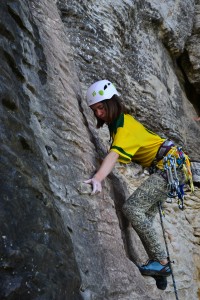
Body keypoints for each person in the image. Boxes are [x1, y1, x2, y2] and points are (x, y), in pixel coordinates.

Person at [84, 79, 193, 280]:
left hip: (171, 167)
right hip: (173, 167)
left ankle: (161, 263)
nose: (98, 113)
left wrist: (98, 178)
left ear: (112, 103)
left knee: (132, 209)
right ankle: (159, 270)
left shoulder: (125, 126)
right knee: (145, 217)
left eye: (100, 107)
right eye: (94, 110)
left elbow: (114, 155)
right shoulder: (117, 125)